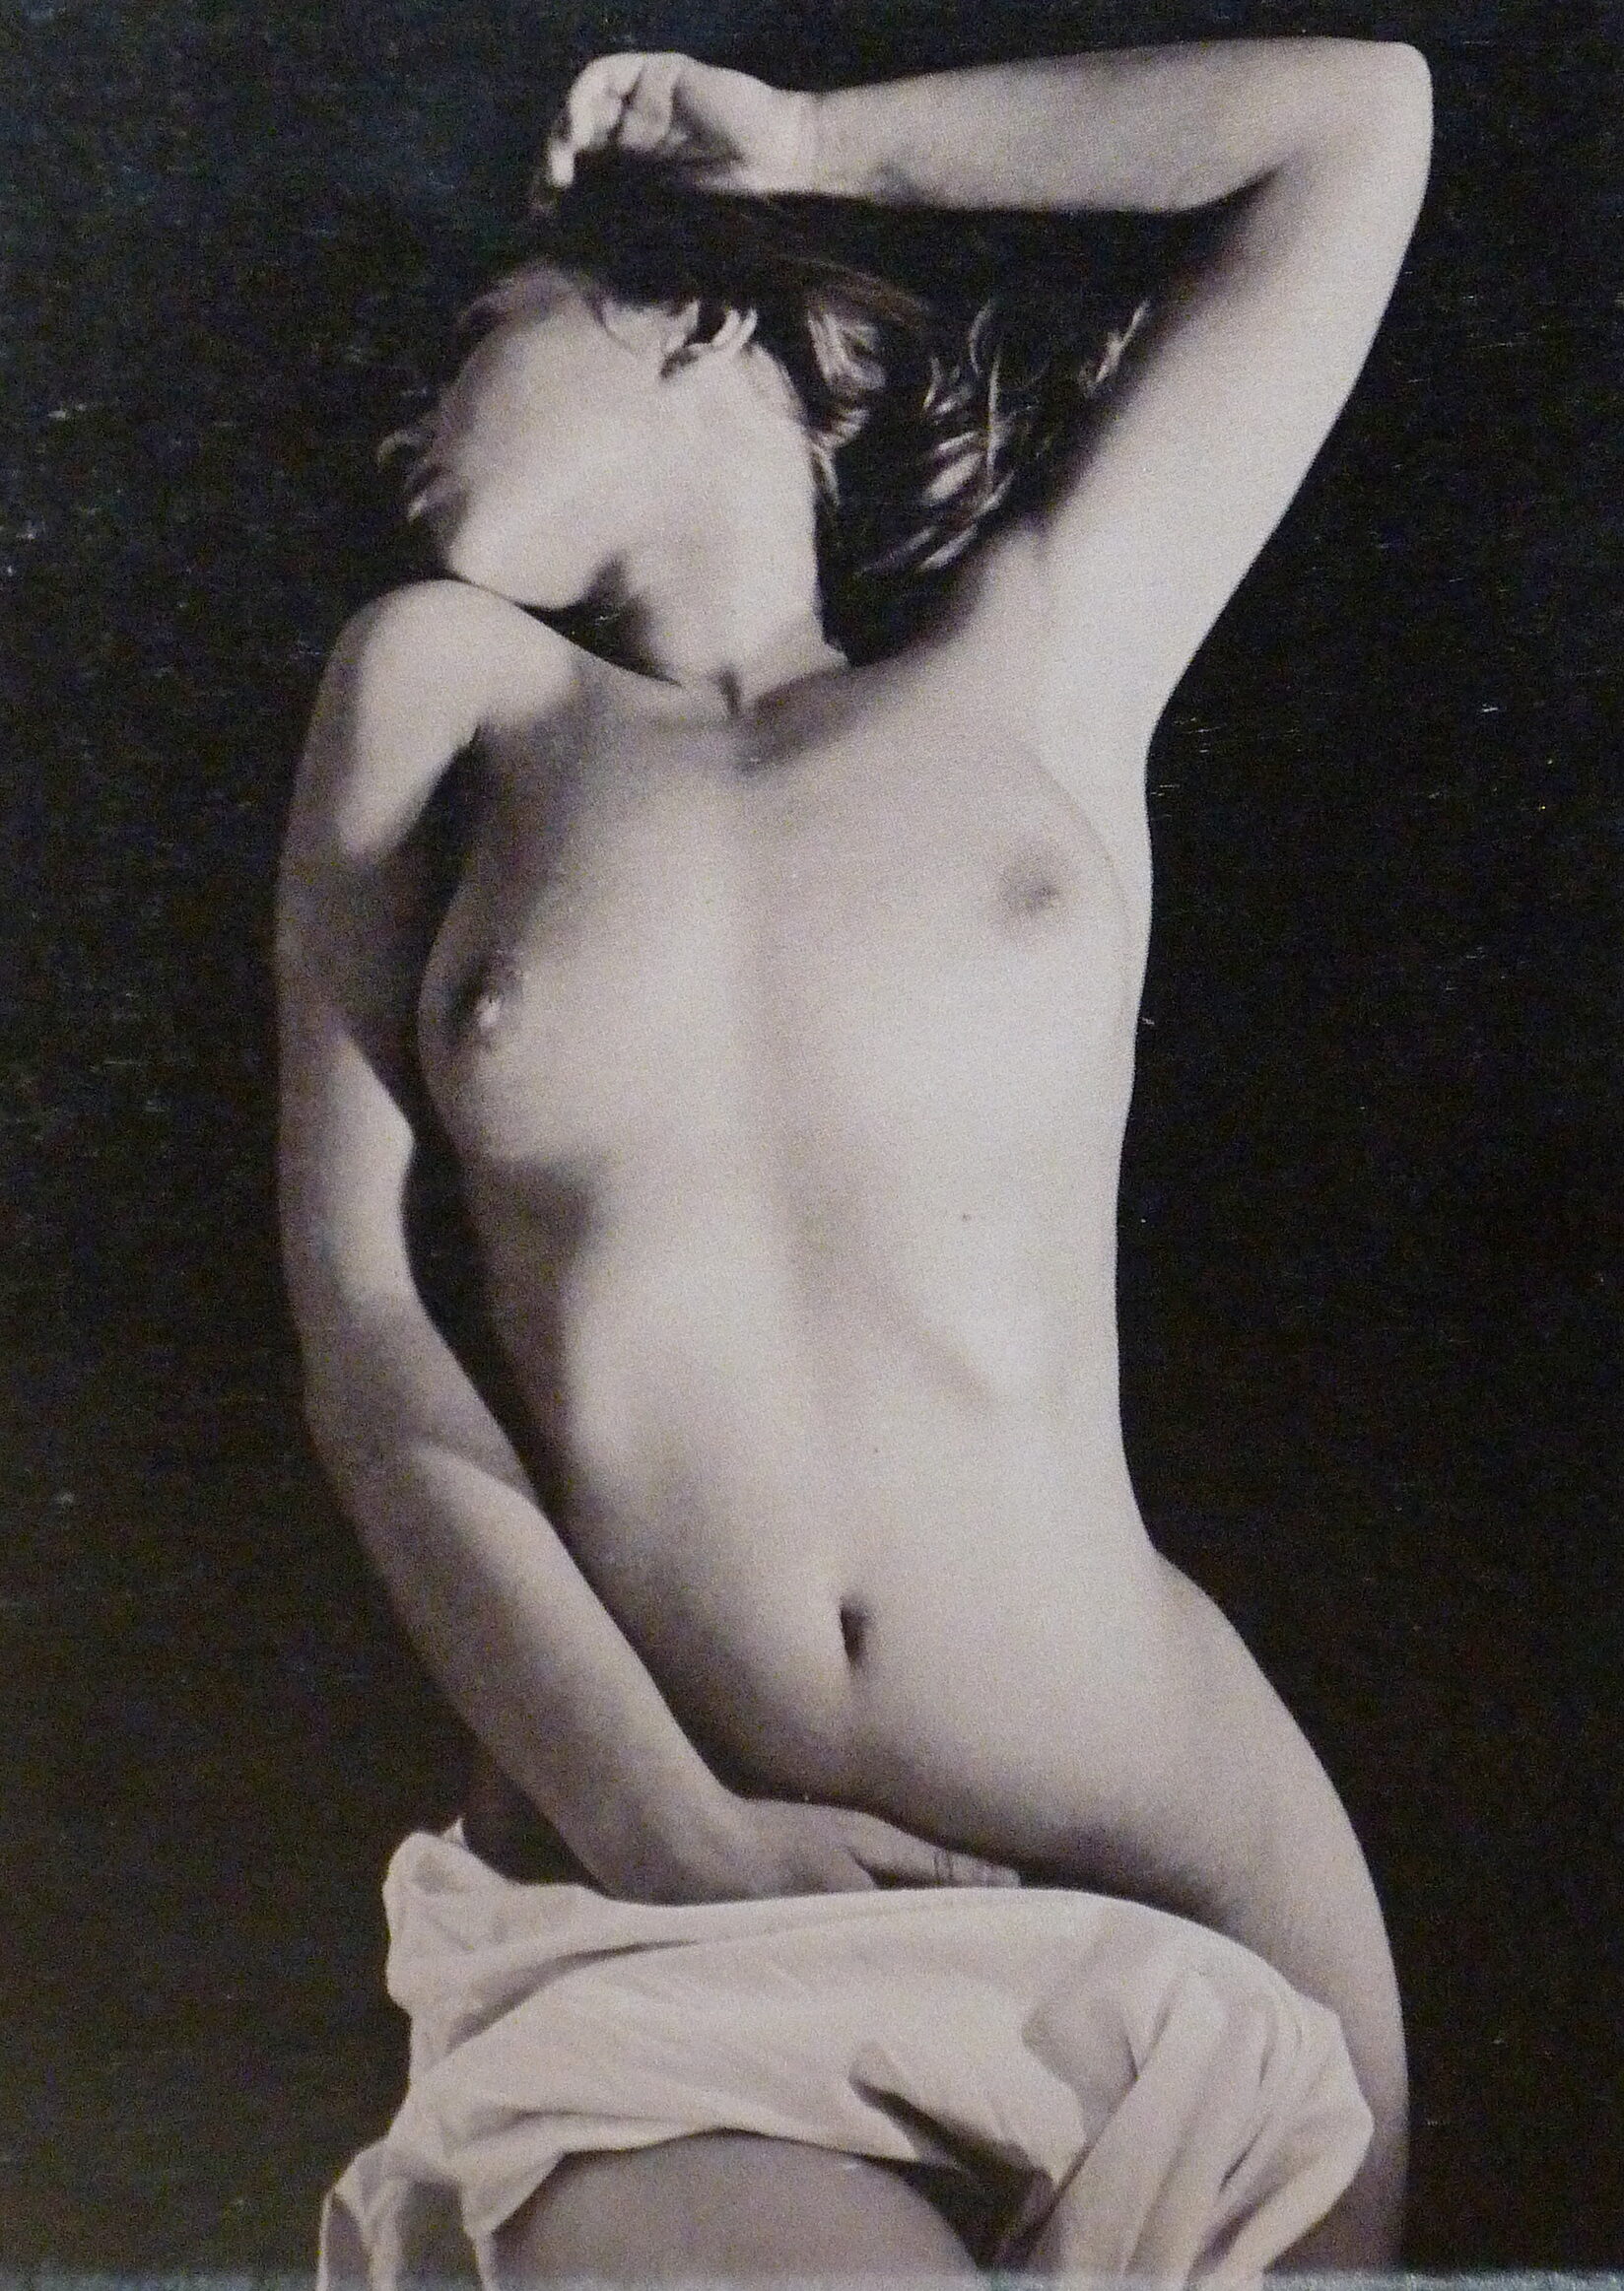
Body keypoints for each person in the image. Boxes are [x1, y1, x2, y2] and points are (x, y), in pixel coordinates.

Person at [279, 37, 1432, 2280]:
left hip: (1196, 1892)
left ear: (690, 312)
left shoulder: (1045, 647)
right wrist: (664, 1823)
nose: (398, 419)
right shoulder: (442, 697)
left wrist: (815, 148)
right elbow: (363, 1324)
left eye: (470, 334)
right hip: (676, 1914)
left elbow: (1356, 119)